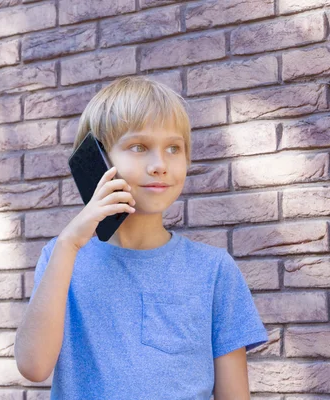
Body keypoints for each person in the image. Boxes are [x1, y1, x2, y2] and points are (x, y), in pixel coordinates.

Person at [14, 76, 268, 399]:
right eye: (139, 147)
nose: (160, 165)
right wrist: (68, 243)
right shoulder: (62, 259)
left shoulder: (215, 271)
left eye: (174, 148)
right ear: (98, 159)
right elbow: (32, 366)